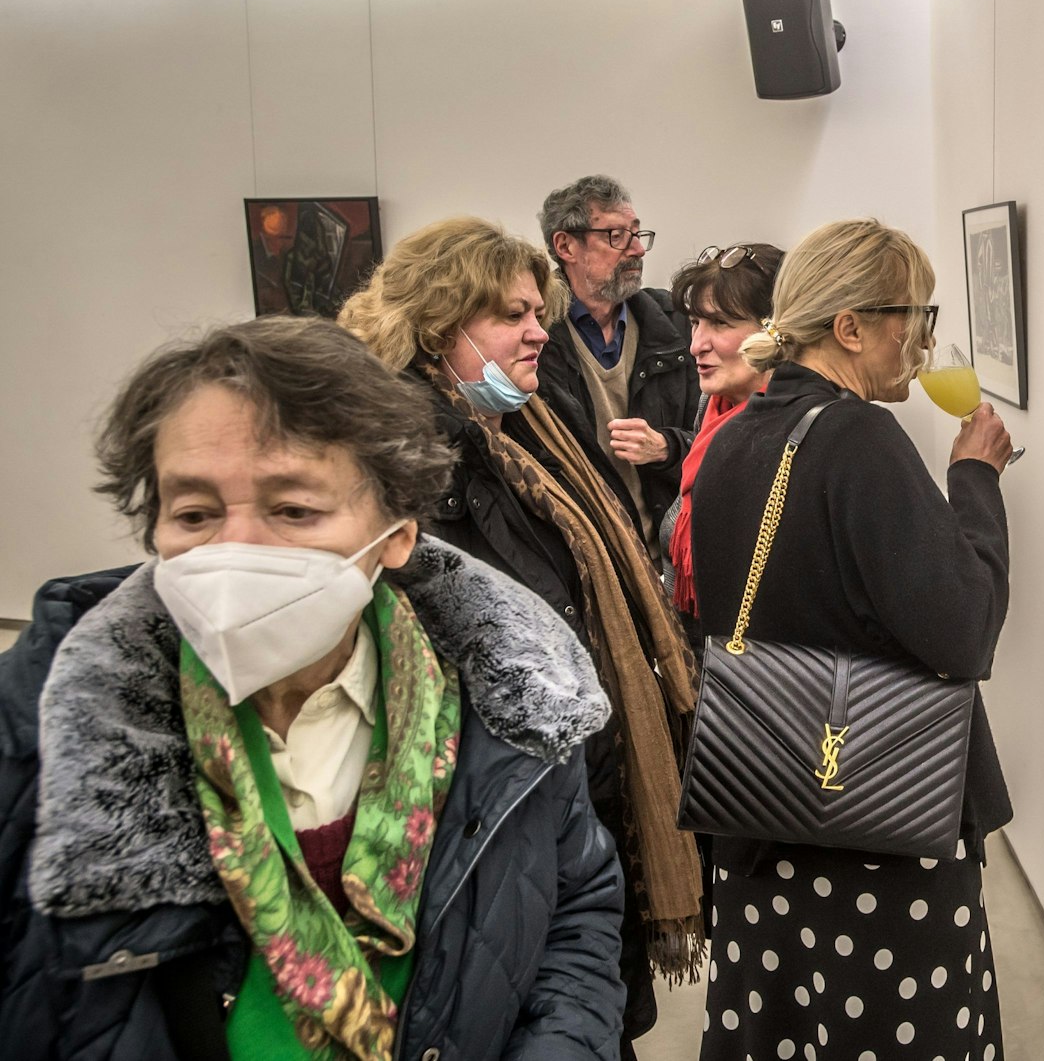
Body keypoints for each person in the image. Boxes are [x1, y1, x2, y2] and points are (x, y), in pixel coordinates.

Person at [0, 317, 624, 1060]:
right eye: (194, 513)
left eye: (293, 509)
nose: (234, 550)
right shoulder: (46, 727)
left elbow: (574, 910)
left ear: (396, 532)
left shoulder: (514, 697)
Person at [338, 218, 705, 1058]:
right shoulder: (415, 470)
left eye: (538, 309)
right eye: (512, 314)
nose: (541, 329)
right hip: (492, 834)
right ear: (440, 326)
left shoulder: (522, 433)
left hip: (569, 807)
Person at [689, 218, 1017, 1061]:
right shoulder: (860, 441)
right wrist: (975, 480)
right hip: (877, 831)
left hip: (763, 819)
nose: (923, 342)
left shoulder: (732, 441)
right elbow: (965, 631)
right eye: (916, 317)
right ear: (851, 328)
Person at [536, 175, 701, 569]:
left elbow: (722, 442)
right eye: (616, 236)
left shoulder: (677, 325)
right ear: (565, 246)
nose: (638, 249)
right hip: (585, 565)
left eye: (637, 233)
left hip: (669, 559)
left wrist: (666, 447)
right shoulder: (535, 338)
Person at [661, 241, 785, 626]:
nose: (697, 344)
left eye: (721, 323)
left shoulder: (795, 433)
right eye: (696, 323)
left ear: (775, 329)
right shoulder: (715, 406)